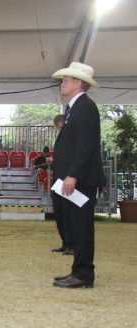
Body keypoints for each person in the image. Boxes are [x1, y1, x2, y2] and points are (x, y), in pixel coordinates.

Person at [50, 62, 105, 288]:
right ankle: (78, 270)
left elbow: (86, 146)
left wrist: (73, 175)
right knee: (76, 224)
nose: (62, 83)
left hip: (80, 180)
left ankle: (83, 274)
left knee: (82, 226)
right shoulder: (75, 108)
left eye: (66, 80)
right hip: (74, 178)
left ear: (78, 83)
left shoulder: (85, 107)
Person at [50, 114, 74, 255]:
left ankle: (72, 244)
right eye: (58, 128)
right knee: (59, 213)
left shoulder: (72, 138)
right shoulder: (61, 138)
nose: (59, 129)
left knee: (67, 213)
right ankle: (65, 242)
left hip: (66, 180)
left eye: (60, 127)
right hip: (58, 180)